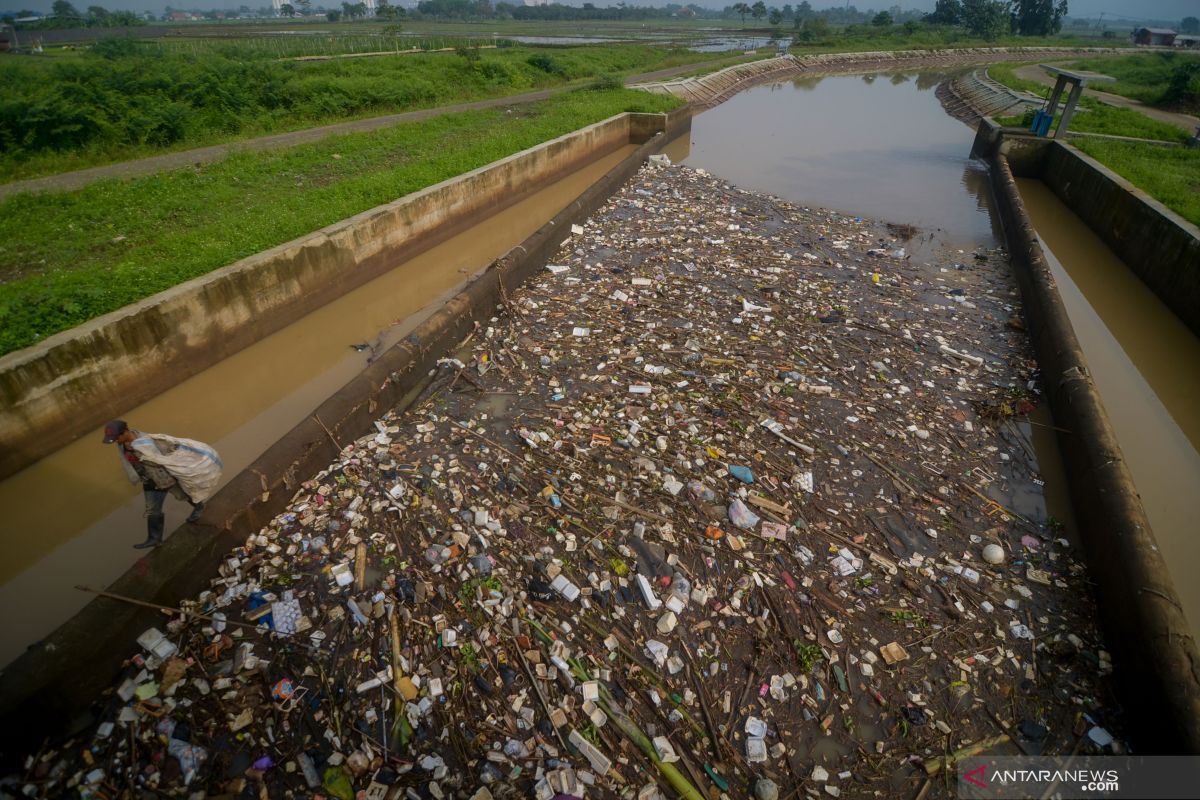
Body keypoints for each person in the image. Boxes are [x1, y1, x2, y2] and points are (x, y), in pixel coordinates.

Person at [102, 420, 224, 549]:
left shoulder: (149, 441)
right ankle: (155, 539)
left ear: (125, 432)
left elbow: (171, 453)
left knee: (185, 495)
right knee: (152, 510)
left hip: (166, 478)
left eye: (116, 438)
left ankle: (199, 507)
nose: (116, 441)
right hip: (149, 480)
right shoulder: (123, 444)